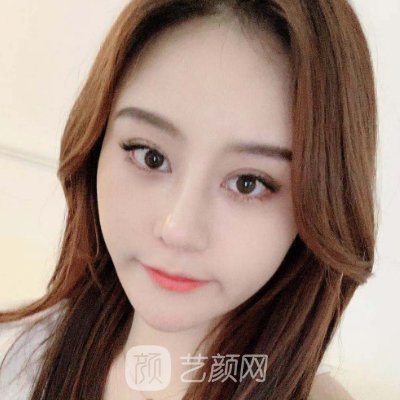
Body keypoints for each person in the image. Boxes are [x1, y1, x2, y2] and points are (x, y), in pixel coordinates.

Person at [0, 0, 377, 399]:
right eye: (151, 156)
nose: (178, 229)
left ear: (320, 205)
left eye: (248, 183)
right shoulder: (15, 358)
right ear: (95, 144)